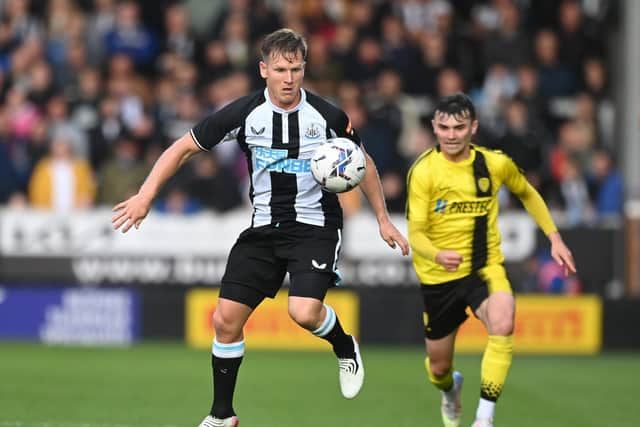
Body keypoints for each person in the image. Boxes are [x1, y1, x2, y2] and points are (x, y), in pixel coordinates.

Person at [111, 28, 409, 427]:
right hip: (264, 229)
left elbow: (364, 162)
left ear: (305, 70)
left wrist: (383, 220)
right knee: (224, 320)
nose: (289, 78)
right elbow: (181, 147)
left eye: (297, 69)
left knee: (303, 313)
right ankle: (222, 416)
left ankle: (344, 346)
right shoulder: (244, 114)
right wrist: (145, 196)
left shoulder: (327, 116)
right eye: (281, 69)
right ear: (263, 69)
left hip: (315, 227)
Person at [406, 93, 576, 427]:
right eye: (444, 127)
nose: (451, 135)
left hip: (483, 268)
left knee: (503, 320)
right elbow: (416, 234)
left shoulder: (494, 164)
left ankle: (484, 417)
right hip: (438, 277)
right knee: (438, 368)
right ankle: (449, 388)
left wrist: (554, 237)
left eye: (459, 127)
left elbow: (526, 191)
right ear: (434, 128)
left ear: (474, 128)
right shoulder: (424, 171)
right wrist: (437, 253)